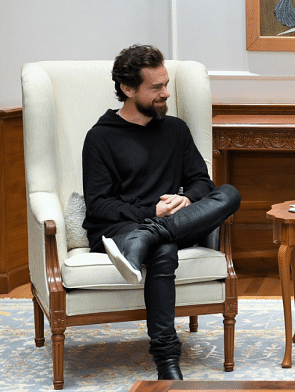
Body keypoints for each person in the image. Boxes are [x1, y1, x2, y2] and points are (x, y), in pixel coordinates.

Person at [82, 44, 241, 380]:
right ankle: (167, 359)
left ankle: (151, 234)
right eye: (156, 88)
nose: (166, 93)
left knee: (229, 194)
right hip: (120, 229)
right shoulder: (100, 138)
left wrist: (186, 200)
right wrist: (150, 210)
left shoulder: (175, 130)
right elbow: (99, 205)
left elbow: (201, 182)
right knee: (163, 248)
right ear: (128, 89)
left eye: (166, 84)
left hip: (171, 224)